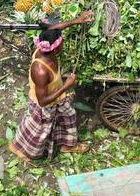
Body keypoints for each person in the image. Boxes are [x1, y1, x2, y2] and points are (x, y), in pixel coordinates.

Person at [8, 13, 94, 162]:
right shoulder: (40, 70)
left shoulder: (46, 42)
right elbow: (43, 101)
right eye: (61, 42)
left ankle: (67, 145)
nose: (63, 42)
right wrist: (66, 86)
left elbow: (55, 28)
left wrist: (78, 20)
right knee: (38, 130)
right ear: (55, 49)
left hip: (58, 98)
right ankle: (19, 149)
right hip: (45, 104)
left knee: (69, 116)